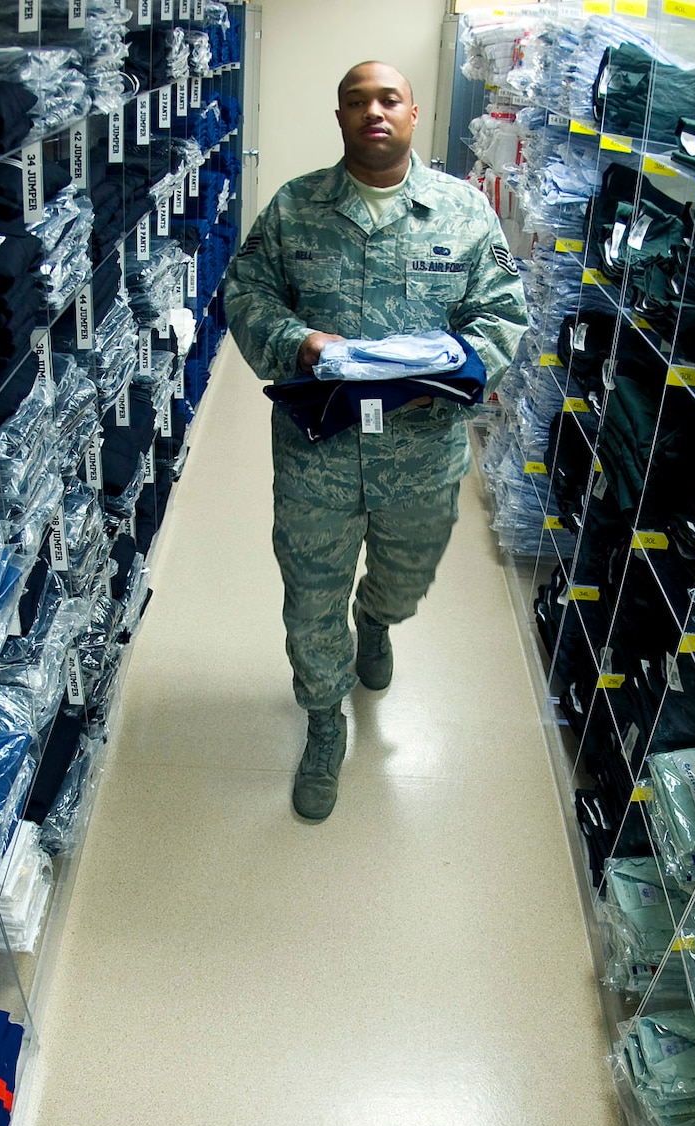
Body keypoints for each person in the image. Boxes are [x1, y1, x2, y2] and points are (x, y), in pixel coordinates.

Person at [223, 60, 530, 822]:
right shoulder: (296, 209)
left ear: (414, 111)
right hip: (318, 448)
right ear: (340, 117)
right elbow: (244, 291)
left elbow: (503, 312)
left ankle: (379, 620)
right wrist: (298, 343)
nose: (373, 113)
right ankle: (325, 722)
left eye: (387, 98)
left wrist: (448, 365)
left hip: (421, 452)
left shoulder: (461, 212)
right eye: (356, 101)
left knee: (403, 576)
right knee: (309, 590)